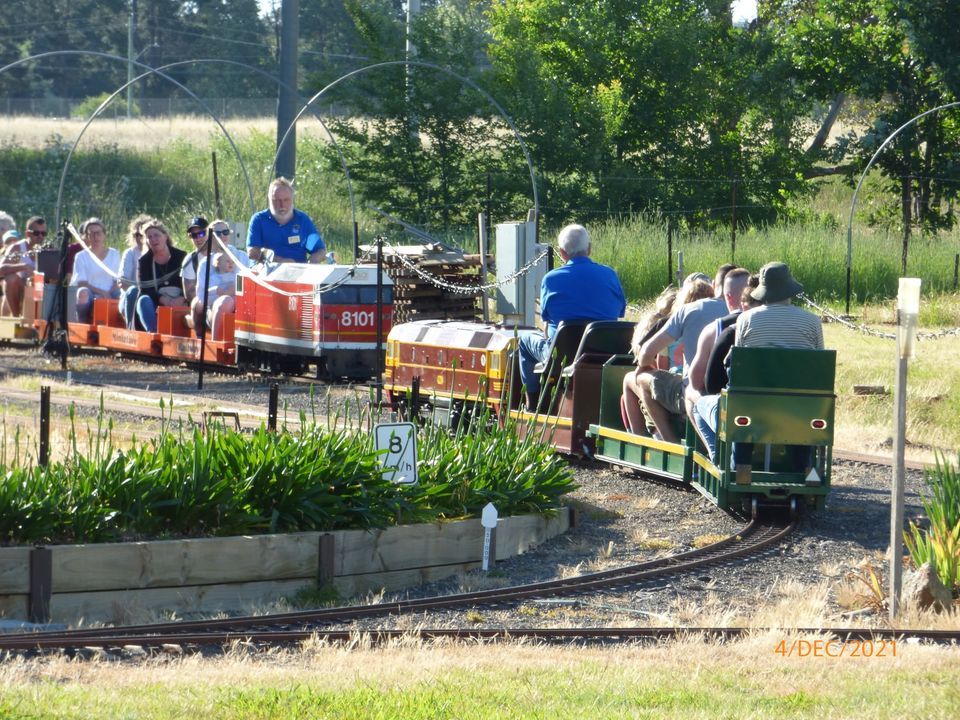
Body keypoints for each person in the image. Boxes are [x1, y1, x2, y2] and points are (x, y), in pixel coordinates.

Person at [731, 261, 824, 483]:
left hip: (754, 405)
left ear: (762, 291)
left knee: (743, 405)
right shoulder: (812, 322)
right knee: (804, 412)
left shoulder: (745, 320)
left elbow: (740, 364)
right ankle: (808, 473)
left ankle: (742, 473)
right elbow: (819, 364)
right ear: (789, 288)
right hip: (800, 408)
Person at [517, 223, 626, 409]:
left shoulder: (551, 279)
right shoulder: (609, 275)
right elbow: (620, 312)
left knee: (524, 340)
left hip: (561, 356)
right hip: (603, 353)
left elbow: (546, 319)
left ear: (562, 252)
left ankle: (533, 403)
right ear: (589, 249)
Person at [633, 266, 730, 442]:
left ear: (715, 285)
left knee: (640, 378)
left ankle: (670, 441)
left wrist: (645, 366)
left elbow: (646, 352)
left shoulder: (689, 310)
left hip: (693, 390)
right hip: (732, 392)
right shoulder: (749, 315)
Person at [684, 270, 756, 460]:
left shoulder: (718, 330)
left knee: (692, 393)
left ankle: (715, 454)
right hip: (782, 406)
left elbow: (699, 382)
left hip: (735, 408)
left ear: (728, 297)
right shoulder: (783, 328)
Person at [191, 218, 249, 336]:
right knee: (221, 302)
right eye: (217, 233)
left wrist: (232, 295)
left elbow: (249, 284)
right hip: (213, 307)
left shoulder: (242, 257)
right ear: (210, 237)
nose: (222, 236)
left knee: (228, 300)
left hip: (241, 306)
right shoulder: (205, 264)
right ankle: (213, 341)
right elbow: (201, 295)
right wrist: (219, 293)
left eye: (225, 232)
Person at [246, 177, 325, 263]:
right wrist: (280, 261)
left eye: (286, 200)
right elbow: (252, 252)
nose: (282, 205)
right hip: (266, 272)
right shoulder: (259, 220)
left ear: (292, 199)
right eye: (277, 200)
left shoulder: (302, 220)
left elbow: (319, 250)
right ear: (269, 199)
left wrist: (315, 259)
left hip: (298, 272)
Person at [135, 218, 187, 333]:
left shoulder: (182, 256)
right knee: (143, 300)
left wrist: (182, 298)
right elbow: (144, 289)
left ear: (165, 236)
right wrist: (162, 299)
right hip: (157, 300)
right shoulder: (144, 261)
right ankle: (154, 334)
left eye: (156, 235)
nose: (153, 239)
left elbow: (192, 283)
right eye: (149, 237)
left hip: (181, 299)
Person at [70, 218, 121, 323]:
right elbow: (82, 282)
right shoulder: (81, 256)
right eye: (91, 234)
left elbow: (119, 279)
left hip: (112, 291)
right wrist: (101, 292)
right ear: (87, 236)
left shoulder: (114, 254)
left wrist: (108, 293)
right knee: (82, 293)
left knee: (124, 294)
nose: (95, 237)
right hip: (91, 292)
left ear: (104, 235)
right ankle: (82, 324)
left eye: (98, 233)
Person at [0, 216, 47, 316]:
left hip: (42, 289)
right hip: (22, 288)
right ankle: (16, 317)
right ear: (27, 233)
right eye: (36, 233)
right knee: (10, 279)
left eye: (43, 233)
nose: (40, 236)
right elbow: (1, 269)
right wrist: (23, 266)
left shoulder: (48, 249)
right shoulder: (17, 247)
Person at [119, 213, 152, 329]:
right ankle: (131, 330)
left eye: (142, 234)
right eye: (136, 235)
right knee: (133, 291)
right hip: (130, 298)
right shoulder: (130, 253)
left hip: (150, 298)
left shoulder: (157, 253)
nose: (139, 238)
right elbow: (123, 284)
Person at [195, 251, 238, 340]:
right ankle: (216, 339)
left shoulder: (235, 277)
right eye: (227, 261)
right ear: (217, 263)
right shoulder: (213, 278)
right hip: (214, 306)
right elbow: (205, 295)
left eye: (232, 262)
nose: (231, 263)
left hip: (232, 304)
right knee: (225, 301)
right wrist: (215, 290)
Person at [180, 215, 209, 302]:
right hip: (202, 306)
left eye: (201, 233)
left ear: (209, 232)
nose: (198, 238)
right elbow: (189, 295)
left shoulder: (224, 254)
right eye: (193, 235)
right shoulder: (190, 260)